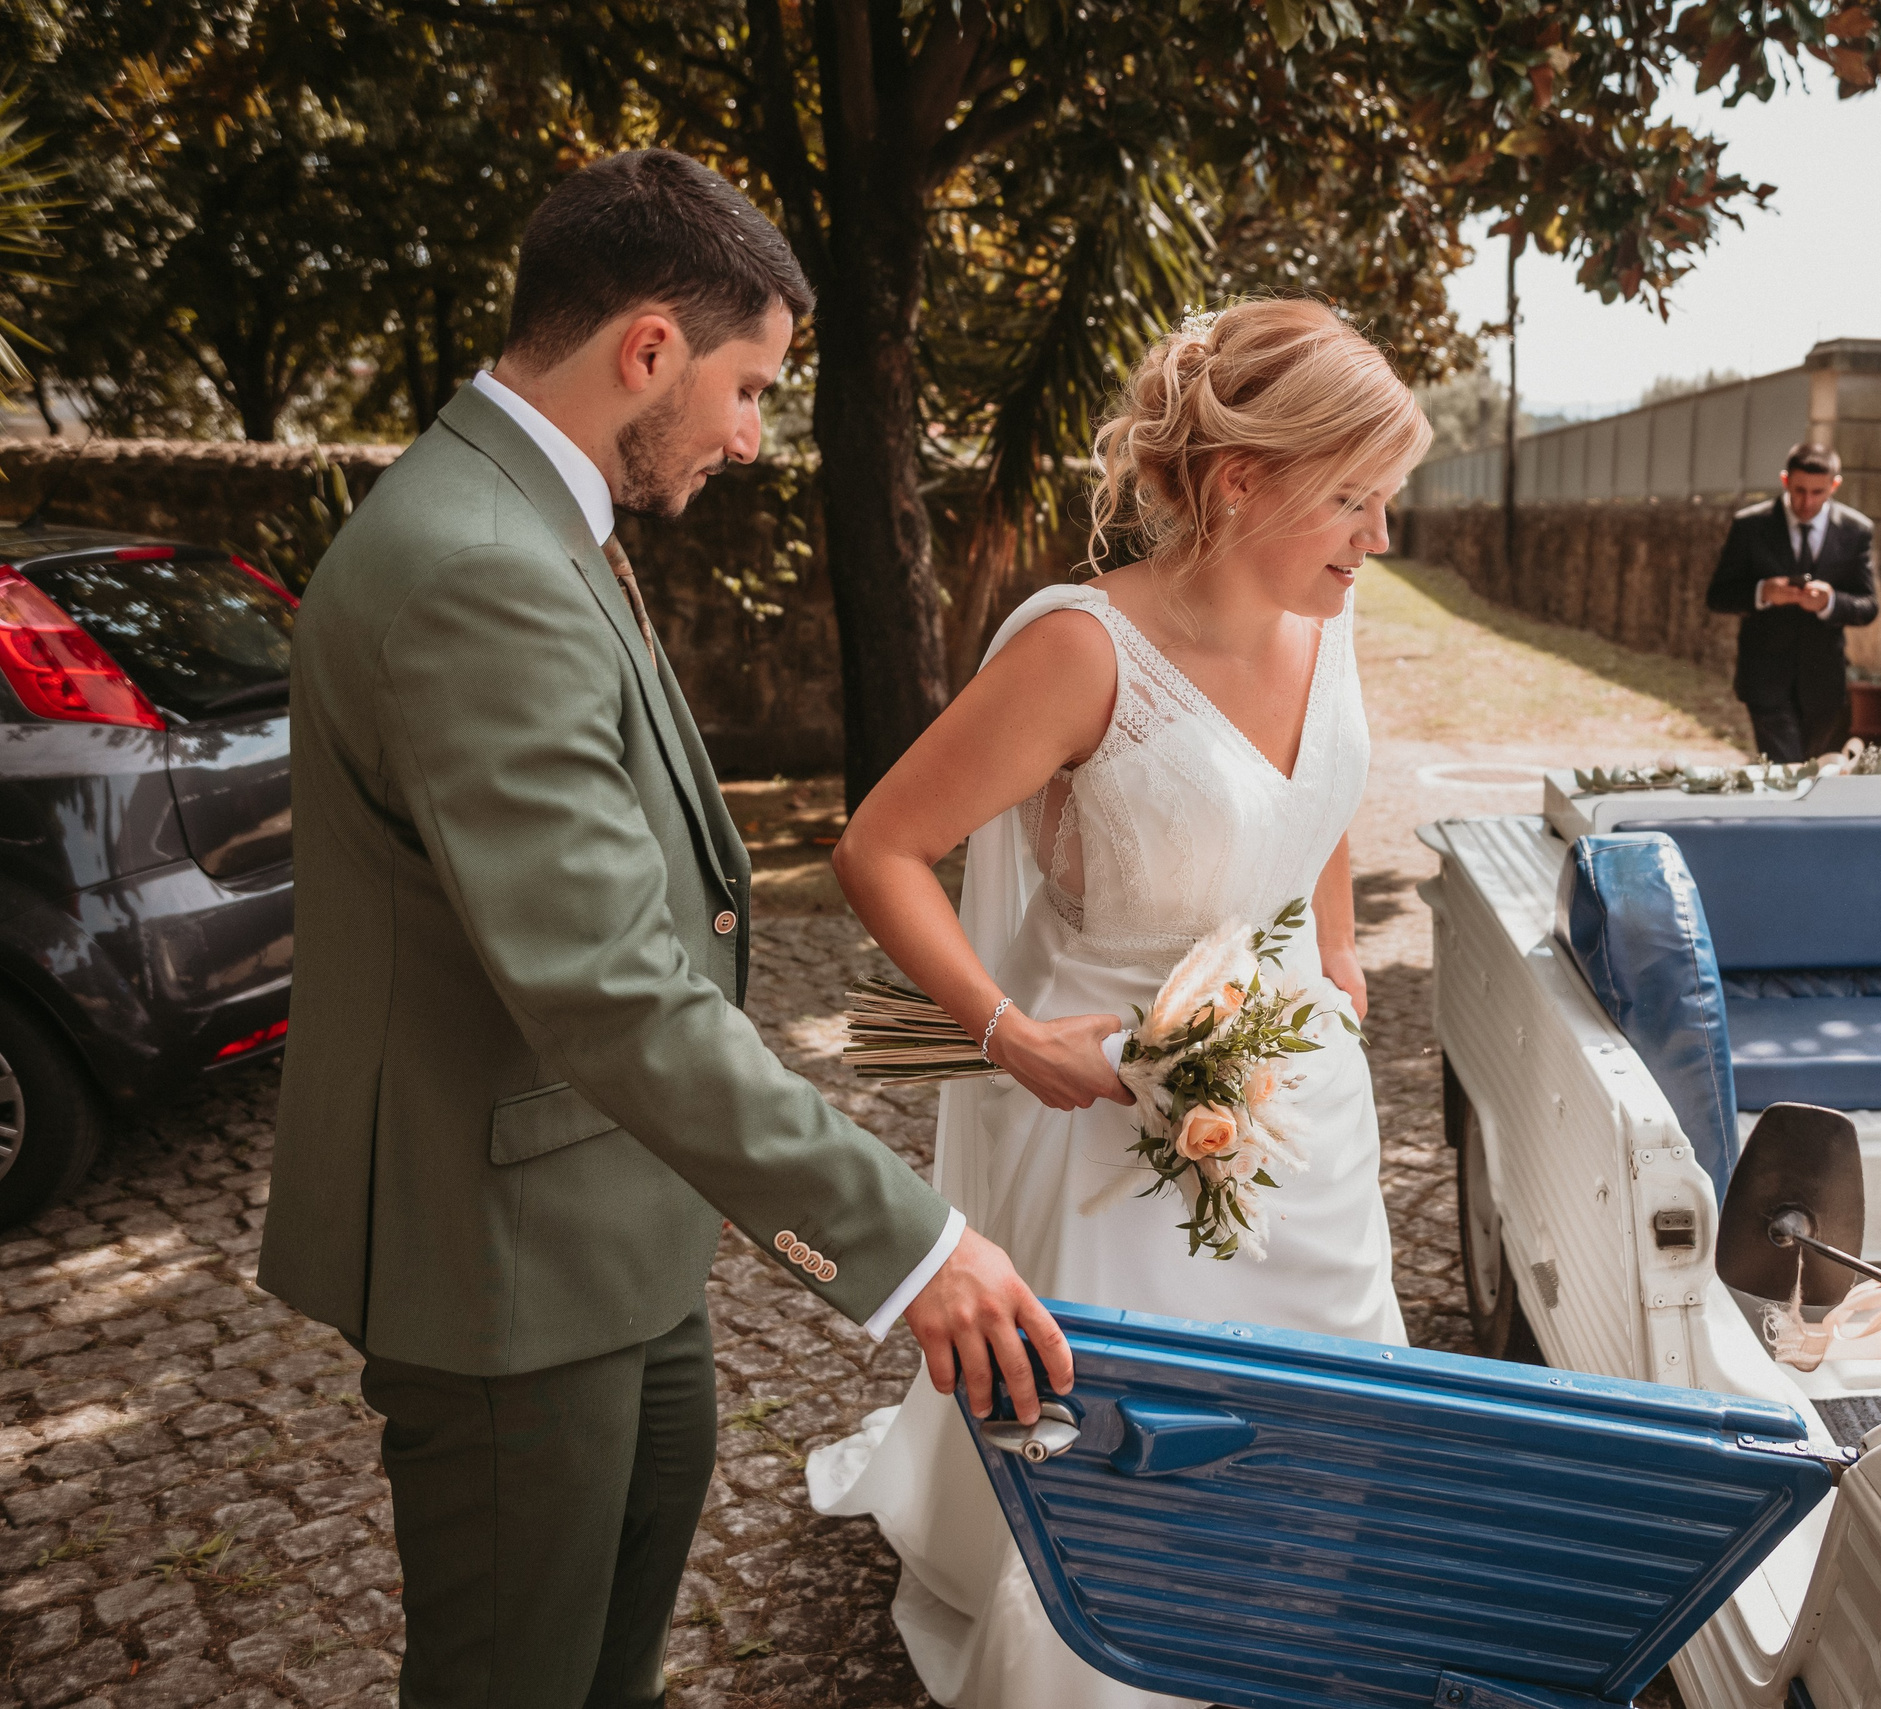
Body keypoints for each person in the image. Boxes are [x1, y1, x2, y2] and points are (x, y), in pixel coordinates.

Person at [260, 150, 1066, 1707]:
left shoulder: (524, 519)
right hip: (504, 1275)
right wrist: (914, 1247)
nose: (753, 435)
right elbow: (613, 983)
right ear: (647, 350)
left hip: (610, 1225)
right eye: (748, 386)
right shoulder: (477, 567)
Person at [805, 299, 1429, 1708]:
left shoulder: (1327, 617)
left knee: (1327, 1402)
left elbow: (1315, 791)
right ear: (1236, 483)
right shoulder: (1084, 654)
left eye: (1387, 502)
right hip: (1109, 1107)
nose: (1377, 541)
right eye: (1354, 501)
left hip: (1301, 1094)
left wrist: (1331, 954)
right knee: (1132, 1439)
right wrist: (1004, 1029)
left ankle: (1297, 1639)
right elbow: (880, 849)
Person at [1705, 442, 1880, 761]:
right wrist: (1763, 592)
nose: (1807, 501)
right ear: (1785, 481)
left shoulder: (1857, 531)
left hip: (1824, 682)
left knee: (1811, 773)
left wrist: (1830, 602)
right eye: (1799, 490)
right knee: (1787, 770)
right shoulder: (1750, 525)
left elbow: (1868, 605)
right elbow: (1718, 596)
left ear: (1834, 485)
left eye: (1818, 492)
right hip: (1765, 679)